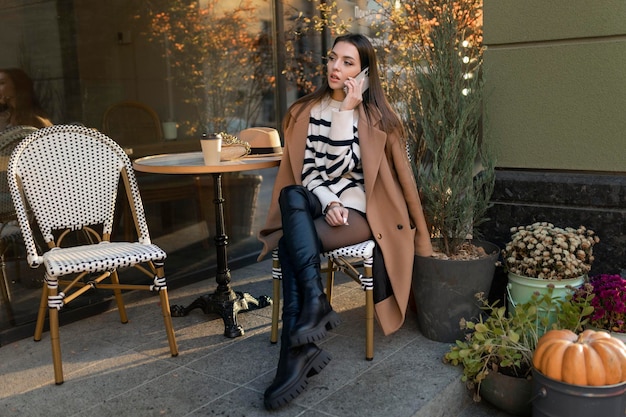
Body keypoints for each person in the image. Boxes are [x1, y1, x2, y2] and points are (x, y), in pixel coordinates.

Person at [257, 33, 433, 410]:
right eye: (333, 58)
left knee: (290, 244)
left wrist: (348, 110)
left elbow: (392, 179)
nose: (336, 67)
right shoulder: (306, 111)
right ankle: (312, 309)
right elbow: (310, 173)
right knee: (291, 194)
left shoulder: (377, 118)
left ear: (365, 72)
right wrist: (329, 199)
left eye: (348, 62)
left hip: (366, 213)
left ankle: (296, 351)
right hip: (324, 204)